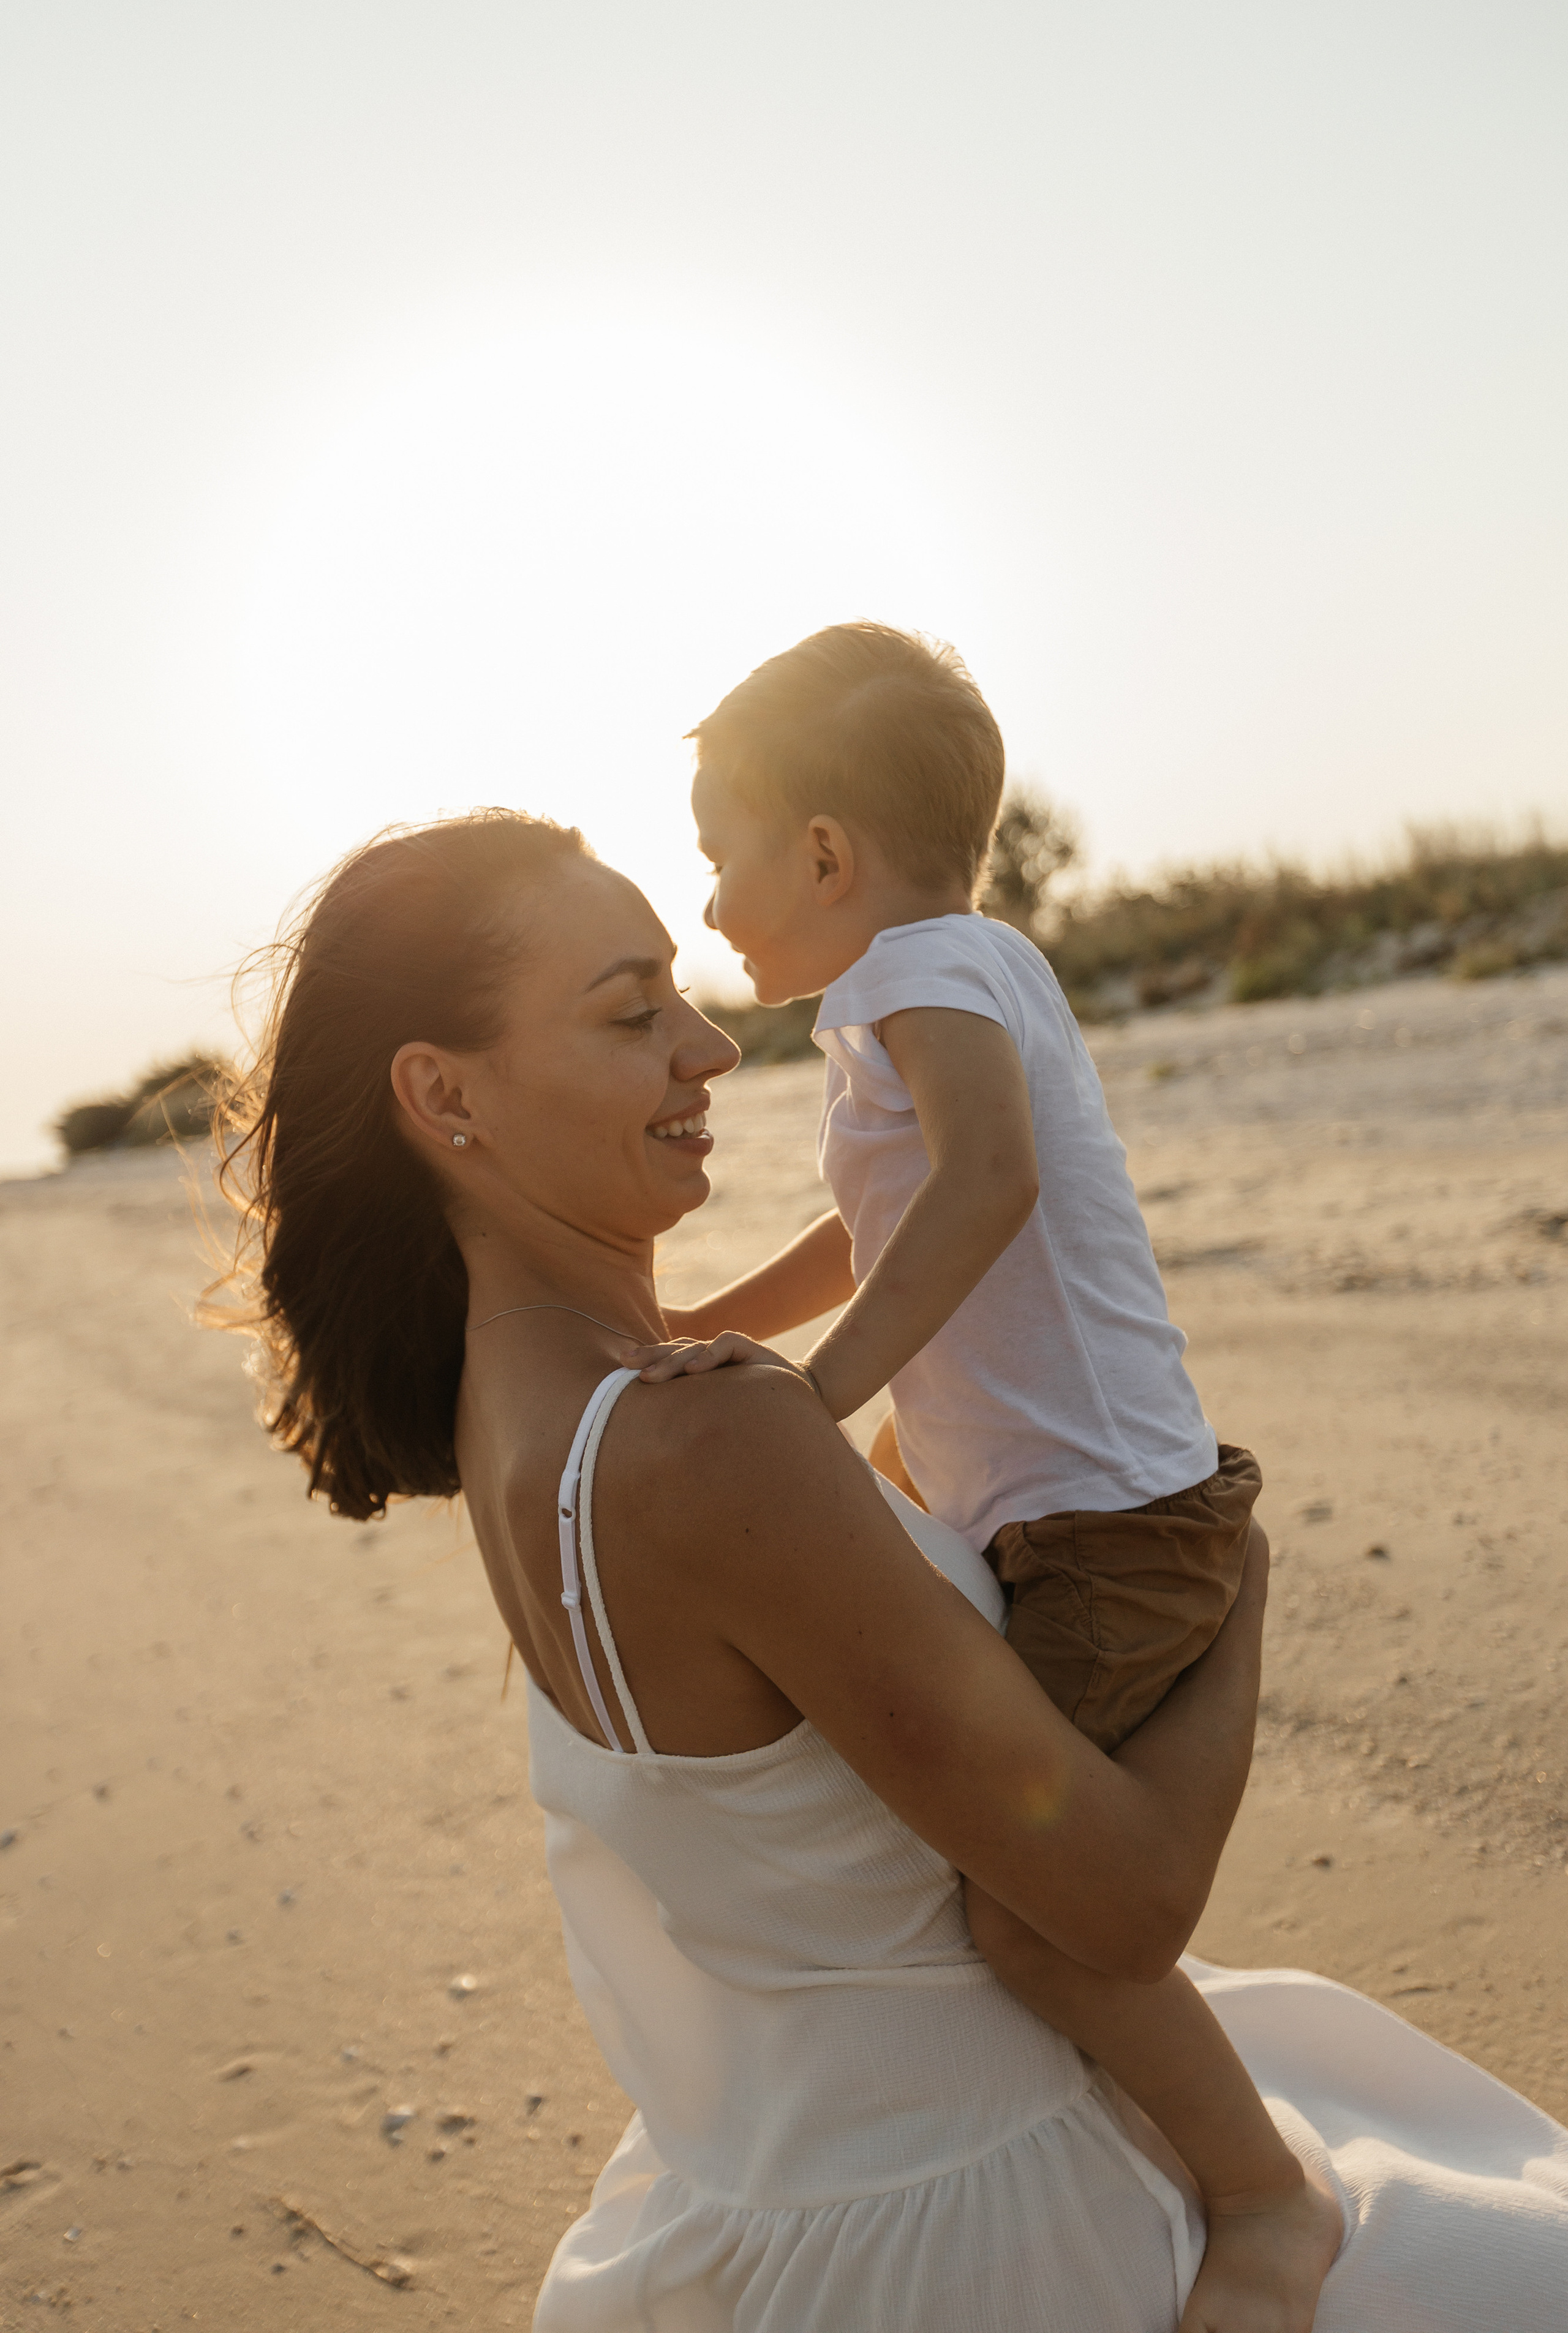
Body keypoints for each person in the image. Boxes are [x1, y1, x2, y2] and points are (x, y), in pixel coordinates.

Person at [210, 807, 1568, 2332]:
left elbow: (795, 1713)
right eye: (630, 1011)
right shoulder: (706, 1440)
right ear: (442, 1094)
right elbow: (1118, 1909)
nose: (710, 1047)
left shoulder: (524, 1415)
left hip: (779, 2195)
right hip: (1011, 2233)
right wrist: (1237, 1578)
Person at [634, 620, 1328, 2322]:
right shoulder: (957, 968)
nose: (708, 903)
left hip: (1105, 1530)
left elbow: (989, 1181)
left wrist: (822, 1395)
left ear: (823, 853)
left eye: (718, 854)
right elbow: (871, 1218)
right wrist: (692, 1324)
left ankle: (1261, 2197)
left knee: (1040, 1921)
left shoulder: (903, 982)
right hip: (1084, 1499)